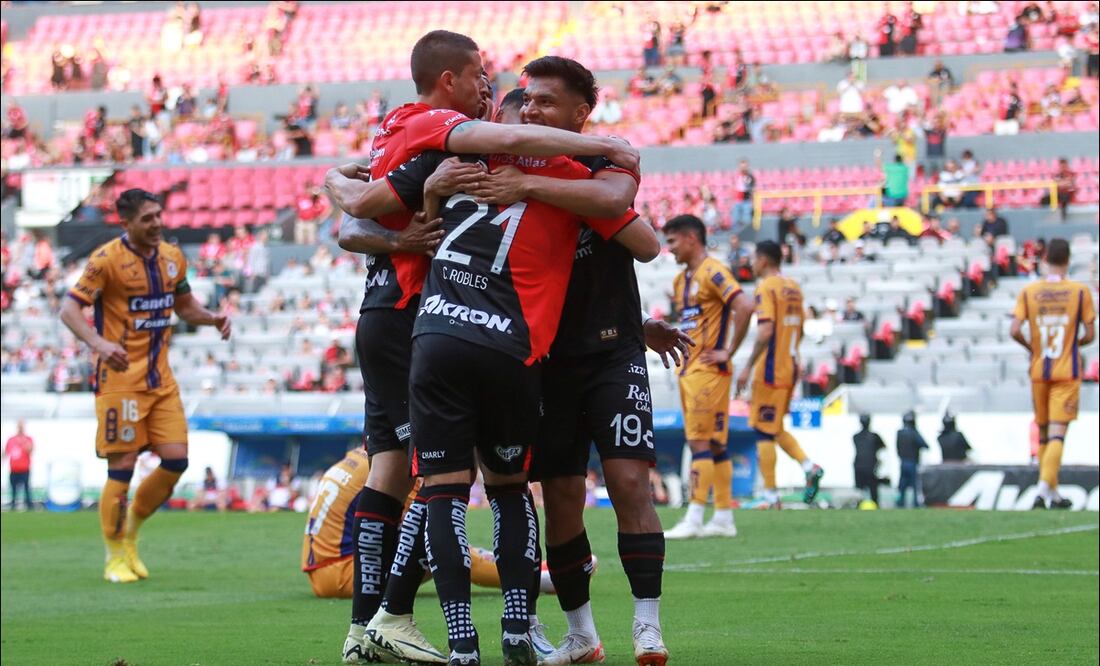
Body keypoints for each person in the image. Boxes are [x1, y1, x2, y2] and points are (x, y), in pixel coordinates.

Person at [324, 30, 640, 666]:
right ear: (453, 82)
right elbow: (358, 209)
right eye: (481, 79)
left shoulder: (430, 150)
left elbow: (353, 214)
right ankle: (431, 623)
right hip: (443, 323)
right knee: (486, 484)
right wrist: (605, 148)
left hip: (418, 322)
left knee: (417, 475)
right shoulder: (454, 137)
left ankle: (399, 632)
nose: (488, 90)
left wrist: (346, 183)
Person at [469, 67, 688, 664]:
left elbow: (642, 240)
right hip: (547, 361)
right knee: (562, 498)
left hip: (613, 354)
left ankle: (647, 626)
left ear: (580, 114)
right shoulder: (500, 175)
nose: (532, 112)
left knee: (628, 483)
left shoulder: (601, 163)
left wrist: (532, 186)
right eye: (528, 103)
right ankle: (582, 635)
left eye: (547, 102)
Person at [59, 189, 231, 583]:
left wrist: (212, 318)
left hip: (160, 380)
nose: (156, 224)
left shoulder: (172, 257)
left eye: (158, 215)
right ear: (126, 223)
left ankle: (131, 534)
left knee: (176, 460)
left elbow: (185, 307)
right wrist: (100, 344)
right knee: (122, 466)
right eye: (147, 219)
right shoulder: (105, 260)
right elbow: (69, 309)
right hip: (120, 381)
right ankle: (114, 555)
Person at [302, 448, 507, 599]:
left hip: (320, 570)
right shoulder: (394, 465)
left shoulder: (359, 457)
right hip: (345, 574)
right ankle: (520, 577)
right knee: (446, 545)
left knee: (438, 542)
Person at [663, 214, 755, 538]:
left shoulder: (714, 271)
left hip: (708, 370)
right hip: (690, 370)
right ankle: (724, 517)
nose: (670, 248)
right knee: (715, 444)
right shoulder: (680, 281)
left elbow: (745, 306)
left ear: (691, 238)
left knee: (699, 442)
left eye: (673, 241)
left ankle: (694, 517)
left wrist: (728, 351)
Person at [735, 241, 824, 509]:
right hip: (790, 366)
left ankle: (771, 494)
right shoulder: (794, 287)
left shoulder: (766, 287)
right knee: (774, 427)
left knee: (763, 429)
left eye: (754, 258)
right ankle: (808, 467)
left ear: (763, 260)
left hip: (770, 369)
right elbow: (801, 329)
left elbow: (765, 331)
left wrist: (748, 366)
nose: (752, 263)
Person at [1010, 238, 1096, 509]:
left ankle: (1053, 493)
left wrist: (1032, 348)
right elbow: (1090, 334)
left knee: (1045, 434)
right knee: (1058, 434)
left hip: (1039, 370)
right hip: (1066, 372)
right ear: (1068, 260)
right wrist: (1073, 344)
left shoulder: (1029, 291)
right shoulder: (1079, 292)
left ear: (1045, 259)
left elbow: (1014, 330)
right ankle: (1042, 488)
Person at [895, 411, 928, 508]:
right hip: (912, 462)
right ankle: (915, 504)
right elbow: (925, 445)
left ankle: (900, 504)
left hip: (903, 462)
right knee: (915, 484)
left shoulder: (900, 433)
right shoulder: (914, 433)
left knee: (902, 485)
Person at [852, 414, 886, 505]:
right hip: (870, 465)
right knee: (872, 488)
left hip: (859, 465)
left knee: (860, 489)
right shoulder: (874, 436)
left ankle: (860, 505)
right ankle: (874, 504)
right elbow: (883, 446)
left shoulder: (856, 436)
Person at [4, 419, 34, 510]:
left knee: (26, 488)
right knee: (13, 489)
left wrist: (22, 441)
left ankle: (29, 505)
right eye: (19, 426)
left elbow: (30, 450)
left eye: (22, 426)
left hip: (24, 469)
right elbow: (5, 453)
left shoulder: (28, 439)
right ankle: (13, 505)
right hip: (13, 469)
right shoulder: (11, 440)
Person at [730, 159, 756, 231]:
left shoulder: (750, 177)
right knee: (735, 220)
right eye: (742, 166)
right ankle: (735, 234)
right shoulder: (736, 176)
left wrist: (753, 202)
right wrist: (731, 200)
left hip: (746, 201)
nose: (743, 168)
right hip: (737, 200)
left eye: (745, 166)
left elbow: (752, 190)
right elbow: (732, 188)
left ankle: (747, 233)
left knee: (746, 220)